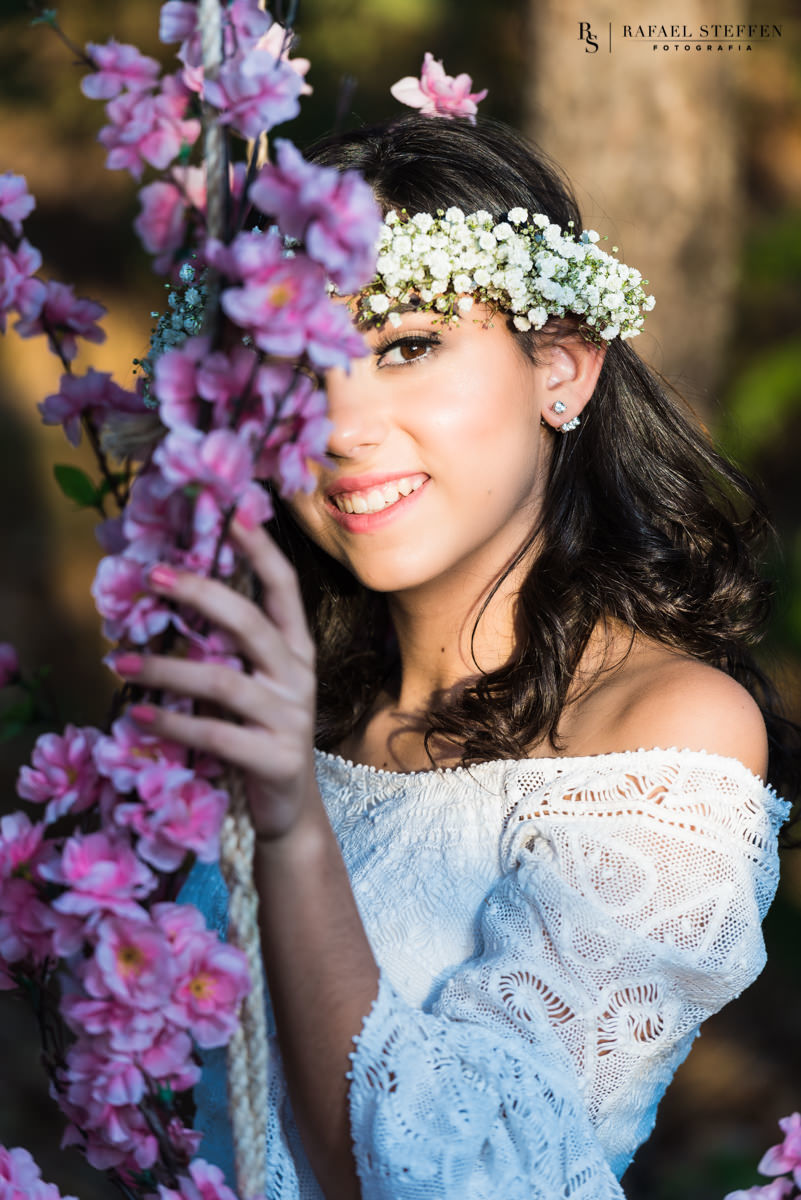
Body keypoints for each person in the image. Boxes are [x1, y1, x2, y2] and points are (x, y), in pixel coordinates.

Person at [121, 114, 797, 1198]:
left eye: (406, 347)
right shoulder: (283, 714)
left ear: (562, 370)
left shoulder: (666, 732)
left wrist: (293, 833)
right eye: (299, 370)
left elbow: (467, 1179)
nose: (342, 426)